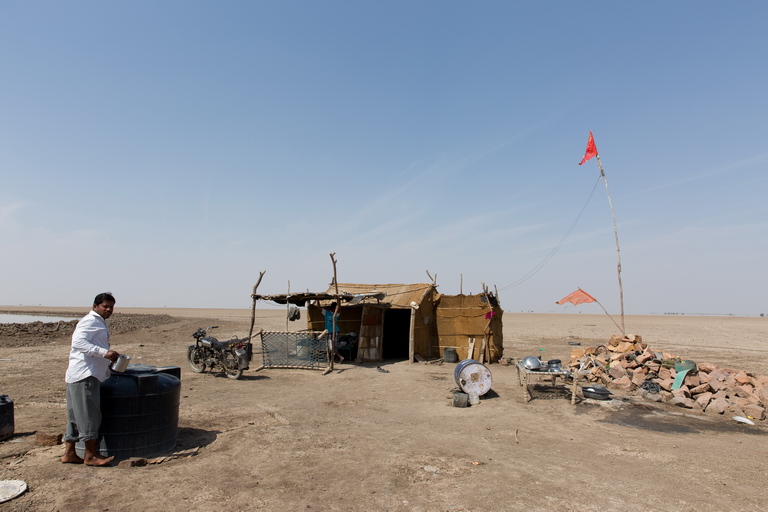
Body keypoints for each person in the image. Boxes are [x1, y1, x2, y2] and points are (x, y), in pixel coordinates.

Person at [60, 292, 120, 466]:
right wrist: (104, 353)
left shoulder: (99, 321)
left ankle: (69, 453)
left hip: (79, 374)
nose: (108, 310)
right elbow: (78, 343)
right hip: (85, 375)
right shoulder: (90, 321)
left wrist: (106, 361)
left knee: (75, 415)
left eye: (111, 307)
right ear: (95, 306)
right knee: (89, 414)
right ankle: (90, 455)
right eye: (105, 306)